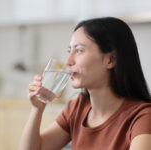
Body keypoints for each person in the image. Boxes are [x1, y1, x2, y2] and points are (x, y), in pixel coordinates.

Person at [19, 17, 151, 150]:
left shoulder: (142, 117)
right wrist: (38, 108)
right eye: (69, 51)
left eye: (79, 50)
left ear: (111, 60)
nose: (68, 61)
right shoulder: (77, 108)